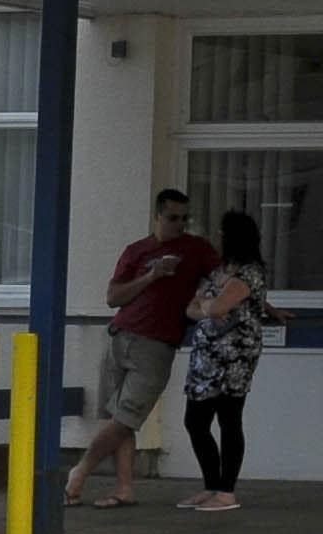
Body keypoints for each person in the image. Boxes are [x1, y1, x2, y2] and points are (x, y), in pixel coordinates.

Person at [72, 188, 218, 509]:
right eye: (172, 218)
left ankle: (80, 472)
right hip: (121, 335)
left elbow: (225, 278)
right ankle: (124, 488)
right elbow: (113, 297)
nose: (179, 225)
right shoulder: (138, 250)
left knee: (127, 417)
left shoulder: (196, 249)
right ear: (157, 216)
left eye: (184, 218)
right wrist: (152, 276)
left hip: (156, 344)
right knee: (116, 415)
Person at [177, 210, 272, 512]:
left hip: (235, 357)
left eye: (222, 233)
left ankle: (227, 491)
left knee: (229, 418)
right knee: (195, 420)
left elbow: (218, 305)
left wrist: (208, 306)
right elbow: (193, 308)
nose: (217, 238)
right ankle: (212, 484)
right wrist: (208, 307)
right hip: (206, 356)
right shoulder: (219, 271)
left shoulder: (250, 273)